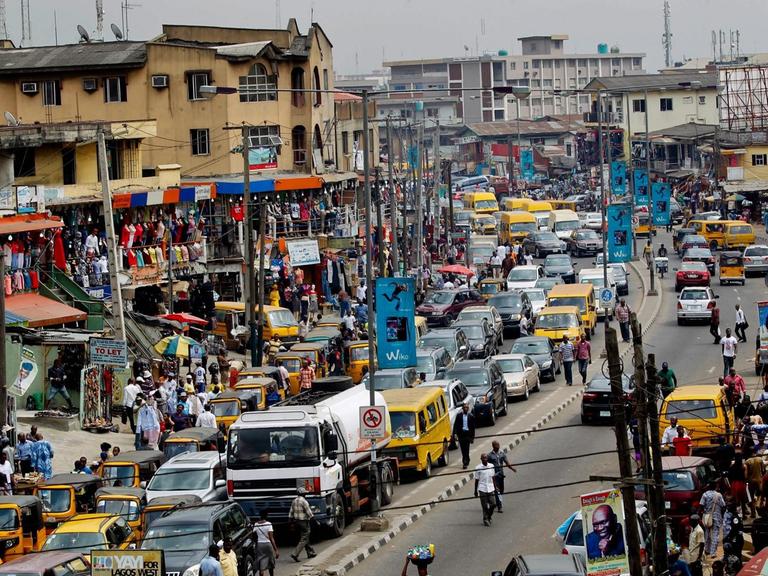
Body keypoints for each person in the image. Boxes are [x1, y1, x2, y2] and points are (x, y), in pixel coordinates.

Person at [699, 481, 726, 558]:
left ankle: (707, 550)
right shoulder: (719, 495)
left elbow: (701, 506)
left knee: (707, 534)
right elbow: (723, 505)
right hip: (717, 517)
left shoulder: (705, 495)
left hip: (707, 517)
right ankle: (713, 552)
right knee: (715, 535)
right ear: (715, 487)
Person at [488, 440, 516, 512]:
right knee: (497, 491)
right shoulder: (490, 456)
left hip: (501, 475)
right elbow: (487, 466)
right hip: (494, 476)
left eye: (498, 445)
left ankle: (496, 500)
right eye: (496, 445)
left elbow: (506, 462)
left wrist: (512, 468)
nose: (498, 447)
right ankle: (499, 506)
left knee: (501, 490)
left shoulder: (502, 453)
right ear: (493, 446)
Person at [289, 488, 316, 561]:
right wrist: (315, 521)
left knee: (305, 536)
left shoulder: (294, 501)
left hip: (296, 521)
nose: (306, 494)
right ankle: (295, 554)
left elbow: (291, 513)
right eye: (305, 493)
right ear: (303, 494)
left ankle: (310, 552)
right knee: (304, 538)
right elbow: (309, 513)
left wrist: (291, 523)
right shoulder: (304, 501)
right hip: (304, 521)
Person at [252, 510, 278, 576]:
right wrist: (276, 550)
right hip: (268, 545)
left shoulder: (256, 524)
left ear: (260, 515)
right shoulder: (269, 524)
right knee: (270, 562)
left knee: (261, 561)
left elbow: (253, 534)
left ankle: (261, 572)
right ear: (266, 515)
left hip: (260, 545)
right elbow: (271, 538)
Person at [474, 453, 497, 526]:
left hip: (490, 488)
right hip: (482, 488)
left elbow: (493, 477)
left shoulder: (491, 466)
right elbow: (476, 480)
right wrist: (475, 491)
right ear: (481, 459)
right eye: (483, 458)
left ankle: (489, 516)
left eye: (486, 458)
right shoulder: (478, 468)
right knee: (484, 506)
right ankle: (485, 519)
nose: (485, 459)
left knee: (493, 504)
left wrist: (495, 487)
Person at [452, 402, 475, 469]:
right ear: (462, 408)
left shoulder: (471, 416)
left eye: (467, 408)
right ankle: (465, 460)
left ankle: (466, 461)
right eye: (464, 407)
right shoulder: (459, 416)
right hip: (461, 435)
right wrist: (455, 434)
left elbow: (473, 428)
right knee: (463, 449)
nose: (465, 409)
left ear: (468, 409)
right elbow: (456, 426)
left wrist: (472, 437)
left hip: (467, 434)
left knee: (467, 449)